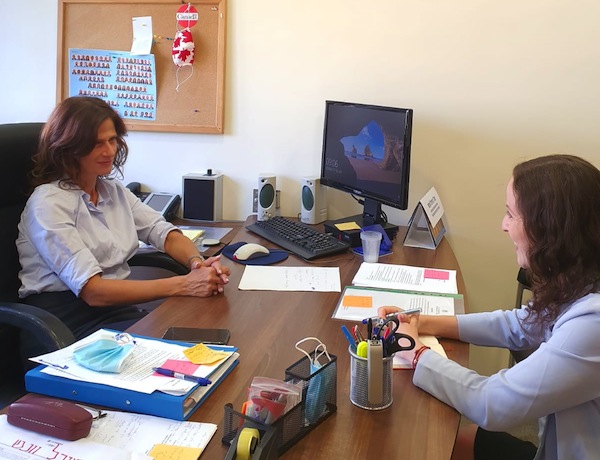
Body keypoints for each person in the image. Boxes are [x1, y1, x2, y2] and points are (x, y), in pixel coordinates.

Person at [380, 154, 600, 460]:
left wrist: (415, 351)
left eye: (511, 214)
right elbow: (519, 325)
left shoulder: (593, 324)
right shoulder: (581, 279)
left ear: (550, 228)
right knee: (461, 442)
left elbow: (492, 403)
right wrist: (421, 322)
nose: (503, 225)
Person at [17, 96, 231, 340]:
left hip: (116, 313)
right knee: (186, 353)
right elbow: (93, 291)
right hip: (64, 327)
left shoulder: (112, 191)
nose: (109, 151)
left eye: (112, 140)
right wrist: (185, 284)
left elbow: (164, 233)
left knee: (209, 336)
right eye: (97, 144)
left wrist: (196, 264)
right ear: (68, 148)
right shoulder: (48, 203)